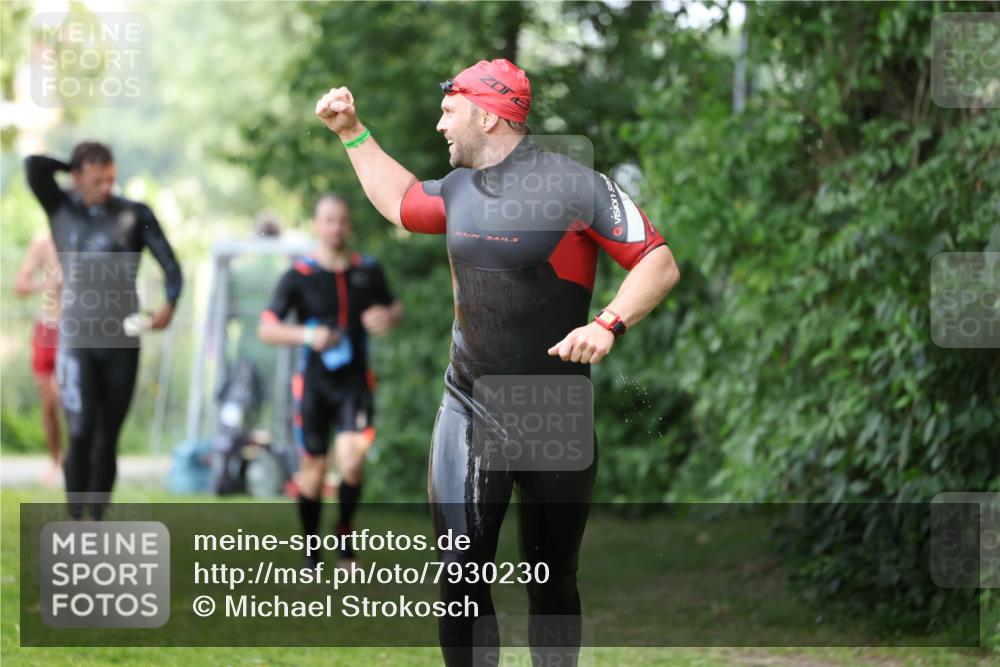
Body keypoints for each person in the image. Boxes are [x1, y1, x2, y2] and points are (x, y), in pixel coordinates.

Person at [315, 59, 681, 666]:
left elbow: (657, 262)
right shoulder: (458, 190)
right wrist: (352, 131)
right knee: (460, 576)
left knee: (552, 579)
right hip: (469, 404)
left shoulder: (577, 186)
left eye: (449, 111)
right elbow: (403, 201)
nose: (440, 125)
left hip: (552, 413)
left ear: (487, 114)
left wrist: (607, 323)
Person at [24, 142, 183, 520]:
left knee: (106, 437)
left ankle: (96, 519)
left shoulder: (134, 214)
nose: (107, 187)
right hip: (76, 339)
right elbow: (33, 165)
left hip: (121, 342)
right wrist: (72, 165)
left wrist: (169, 306)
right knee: (79, 432)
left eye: (111, 179)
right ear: (77, 177)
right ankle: (75, 518)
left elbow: (172, 268)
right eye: (97, 180)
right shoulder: (61, 207)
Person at [257, 194, 403, 570]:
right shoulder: (298, 276)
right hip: (314, 384)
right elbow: (267, 328)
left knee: (352, 462)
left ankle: (346, 540)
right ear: (316, 225)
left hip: (355, 381)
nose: (336, 227)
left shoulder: (368, 271)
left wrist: (387, 315)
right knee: (314, 471)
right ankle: (310, 552)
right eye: (328, 220)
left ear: (349, 226)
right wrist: (307, 336)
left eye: (342, 220)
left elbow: (395, 306)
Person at [13, 231, 63, 486]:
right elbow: (19, 287)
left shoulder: (88, 236)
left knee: (71, 401)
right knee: (50, 404)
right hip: (46, 329)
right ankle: (55, 462)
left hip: (77, 330)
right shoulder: (43, 242)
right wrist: (49, 284)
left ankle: (77, 461)